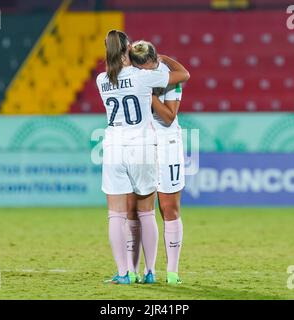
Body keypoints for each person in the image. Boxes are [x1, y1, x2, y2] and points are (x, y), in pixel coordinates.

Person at [96, 30, 190, 284]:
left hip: (114, 147)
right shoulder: (143, 77)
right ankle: (150, 271)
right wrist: (161, 61)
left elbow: (169, 115)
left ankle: (124, 272)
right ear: (128, 51)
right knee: (145, 213)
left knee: (117, 215)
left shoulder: (101, 79)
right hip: (142, 146)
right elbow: (183, 75)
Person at [127, 40, 186, 285]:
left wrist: (150, 96)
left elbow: (170, 118)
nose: (146, 72)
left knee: (168, 208)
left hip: (167, 143)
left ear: (155, 60)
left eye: (149, 67)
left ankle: (172, 272)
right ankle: (132, 270)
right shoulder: (130, 75)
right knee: (133, 208)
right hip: (139, 143)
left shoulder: (168, 77)